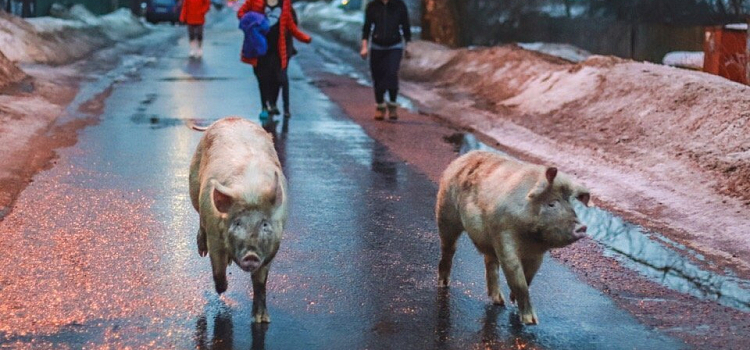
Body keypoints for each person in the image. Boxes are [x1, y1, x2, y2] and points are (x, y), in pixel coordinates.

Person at [238, 0, 312, 121]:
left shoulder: (285, 4)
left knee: (276, 78)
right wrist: (253, 20)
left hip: (277, 50)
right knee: (262, 78)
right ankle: (264, 107)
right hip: (260, 48)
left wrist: (304, 38)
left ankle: (272, 104)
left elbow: (290, 25)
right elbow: (241, 13)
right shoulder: (255, 1)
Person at [361, 0, 411, 121]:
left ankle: (393, 105)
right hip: (377, 46)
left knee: (391, 73)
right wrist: (364, 47)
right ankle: (380, 106)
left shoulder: (399, 5)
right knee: (378, 75)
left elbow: (405, 25)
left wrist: (408, 45)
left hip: (395, 45)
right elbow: (367, 27)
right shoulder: (372, 6)